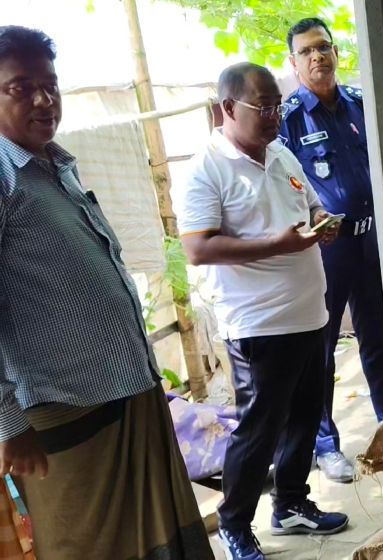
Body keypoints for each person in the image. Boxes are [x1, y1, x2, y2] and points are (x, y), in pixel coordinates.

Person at [0, 25, 211, 559]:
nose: (44, 100)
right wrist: (7, 423)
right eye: (19, 87)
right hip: (65, 416)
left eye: (50, 84)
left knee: (158, 543)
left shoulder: (54, 165)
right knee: (86, 547)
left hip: (126, 397)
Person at [175, 62, 349, 560]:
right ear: (227, 108)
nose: (275, 115)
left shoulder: (280, 153)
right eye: (263, 107)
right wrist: (277, 243)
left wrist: (321, 222)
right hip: (259, 323)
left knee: (305, 417)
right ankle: (234, 524)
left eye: (277, 105)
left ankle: (292, 503)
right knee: (259, 429)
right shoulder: (204, 168)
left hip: (309, 313)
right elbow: (198, 249)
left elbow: (310, 206)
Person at [279, 17, 383, 483]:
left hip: (373, 241)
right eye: (306, 51)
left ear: (336, 52)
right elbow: (283, 186)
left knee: (380, 336)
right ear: (293, 62)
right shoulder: (288, 119)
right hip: (328, 250)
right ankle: (325, 444)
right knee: (320, 352)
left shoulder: (362, 105)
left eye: (323, 47)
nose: (317, 57)